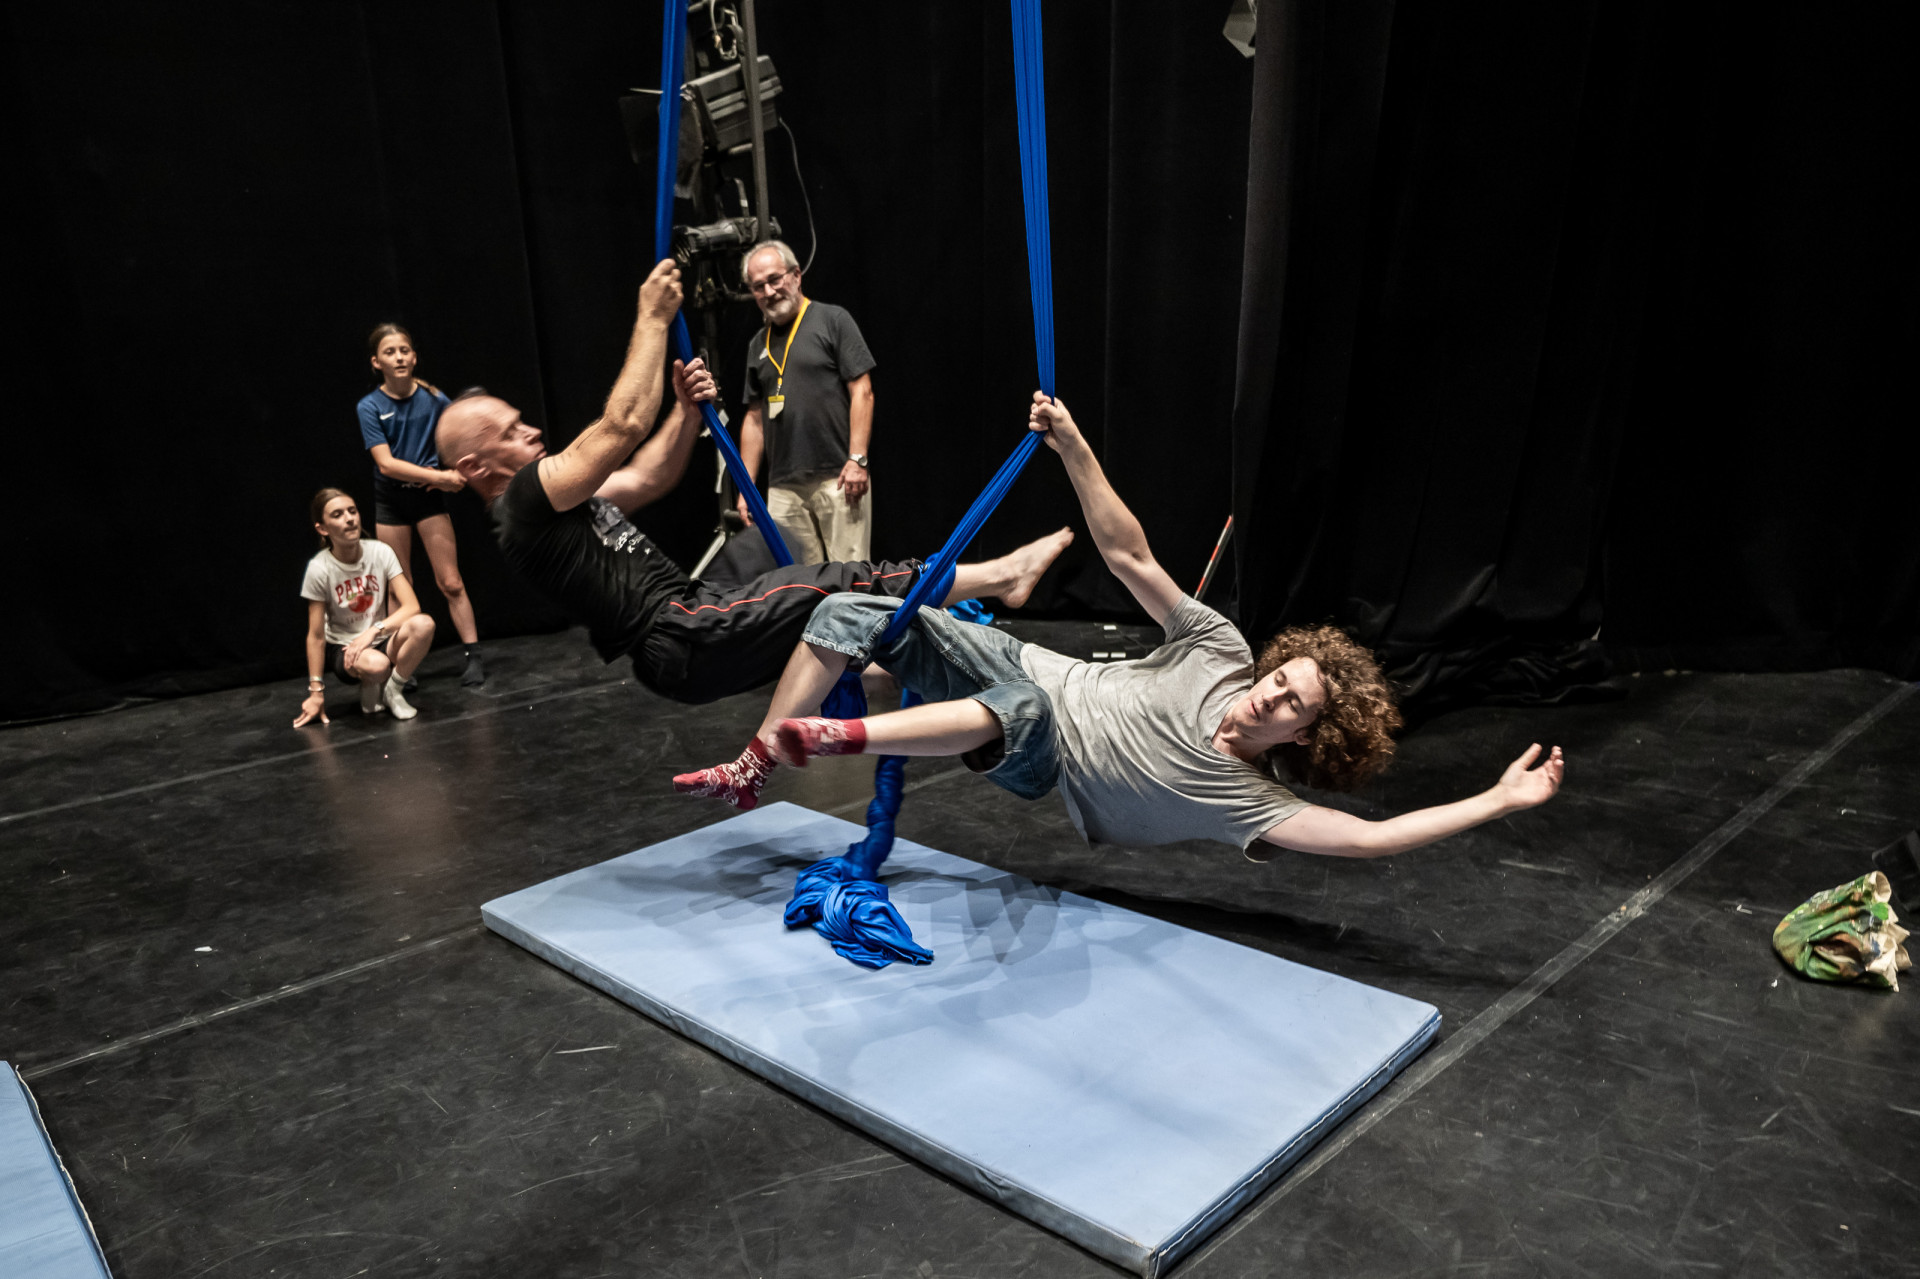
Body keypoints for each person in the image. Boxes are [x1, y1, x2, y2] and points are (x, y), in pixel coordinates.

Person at [674, 393, 1567, 856]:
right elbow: (1130, 556)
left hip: (1046, 755)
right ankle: (757, 762)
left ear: (1306, 733)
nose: (1269, 695)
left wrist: (1497, 799)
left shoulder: (1247, 801)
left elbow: (1370, 838)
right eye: (1280, 678)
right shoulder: (1220, 651)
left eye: (1290, 703)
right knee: (845, 610)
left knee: (1023, 710)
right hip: (1022, 659)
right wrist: (1072, 445)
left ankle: (840, 735)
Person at [433, 260, 1072, 715]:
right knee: (836, 582)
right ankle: (1001, 577)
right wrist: (651, 319)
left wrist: (686, 413)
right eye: (509, 433)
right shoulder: (521, 504)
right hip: (681, 632)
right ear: (476, 468)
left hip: (689, 625)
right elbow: (621, 426)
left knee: (837, 620)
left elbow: (649, 475)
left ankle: (976, 686)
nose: (532, 431)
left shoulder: (554, 506)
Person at [358, 323, 487, 687]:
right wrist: (439, 477)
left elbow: (459, 438)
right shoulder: (369, 407)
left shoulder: (434, 400)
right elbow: (386, 464)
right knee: (399, 587)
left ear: (414, 357)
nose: (398, 357)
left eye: (404, 350)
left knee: (451, 582)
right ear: (376, 362)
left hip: (428, 501)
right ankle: (401, 664)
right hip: (391, 502)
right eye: (389, 352)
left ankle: (474, 656)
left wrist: (455, 471)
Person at [734, 240, 876, 564]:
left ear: (796, 275)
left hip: (839, 476)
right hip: (783, 488)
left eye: (775, 279)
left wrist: (858, 460)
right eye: (758, 286)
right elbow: (754, 420)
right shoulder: (757, 345)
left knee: (850, 578)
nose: (769, 292)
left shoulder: (832, 320)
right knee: (797, 583)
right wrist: (746, 488)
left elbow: (862, 391)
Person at [295, 488, 436, 727]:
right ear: (323, 528)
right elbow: (316, 636)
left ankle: (393, 690)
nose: (349, 519)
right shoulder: (319, 569)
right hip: (346, 648)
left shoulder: (380, 552)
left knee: (424, 624)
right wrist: (316, 692)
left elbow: (412, 606)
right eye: (338, 515)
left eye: (352, 511)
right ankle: (372, 680)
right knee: (378, 665)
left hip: (379, 638)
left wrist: (373, 631)